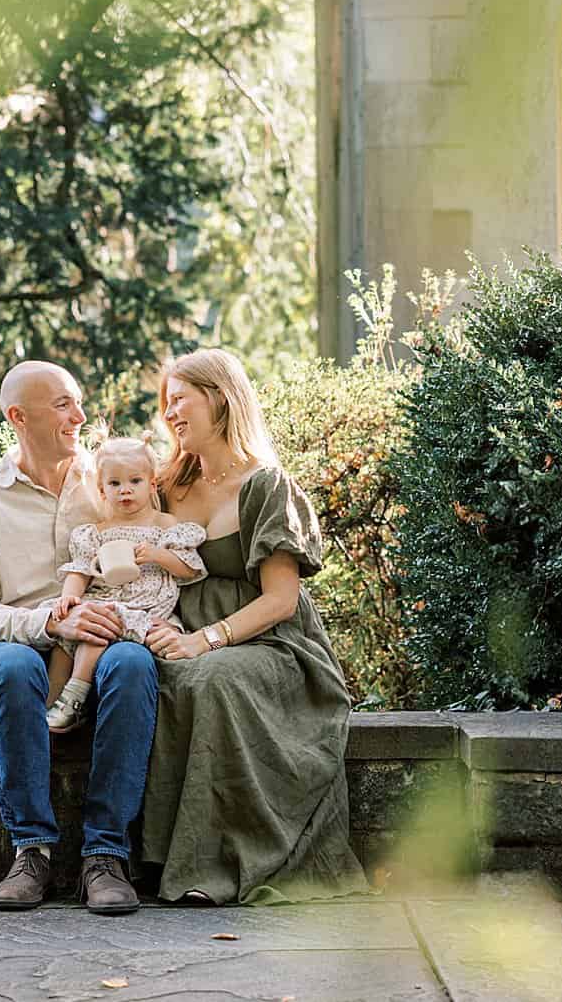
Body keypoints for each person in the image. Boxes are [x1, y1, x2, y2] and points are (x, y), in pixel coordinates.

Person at [141, 347, 369, 904]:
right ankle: (136, 861)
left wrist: (203, 640)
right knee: (139, 674)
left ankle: (218, 867)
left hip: (270, 645)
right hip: (178, 633)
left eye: (179, 400)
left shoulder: (267, 485)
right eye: (166, 403)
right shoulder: (167, 484)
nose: (169, 413)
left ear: (218, 397)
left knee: (209, 679)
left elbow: (281, 601)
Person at [0, 361, 155, 915]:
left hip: (95, 653)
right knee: (17, 667)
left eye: (78, 402)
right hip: (0, 662)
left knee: (134, 665)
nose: (80, 417)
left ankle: (106, 855)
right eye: (64, 404)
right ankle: (31, 851)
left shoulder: (108, 484)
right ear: (19, 417)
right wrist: (48, 622)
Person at [45, 437, 208, 733]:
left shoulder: (165, 525)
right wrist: (68, 598)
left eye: (135, 481)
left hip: (151, 607)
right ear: (102, 490)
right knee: (65, 645)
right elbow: (81, 571)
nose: (125, 490)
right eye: (115, 484)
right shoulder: (95, 532)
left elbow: (190, 568)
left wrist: (158, 555)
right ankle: (49, 709)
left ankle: (74, 696)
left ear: (152, 485)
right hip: (105, 601)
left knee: (98, 632)